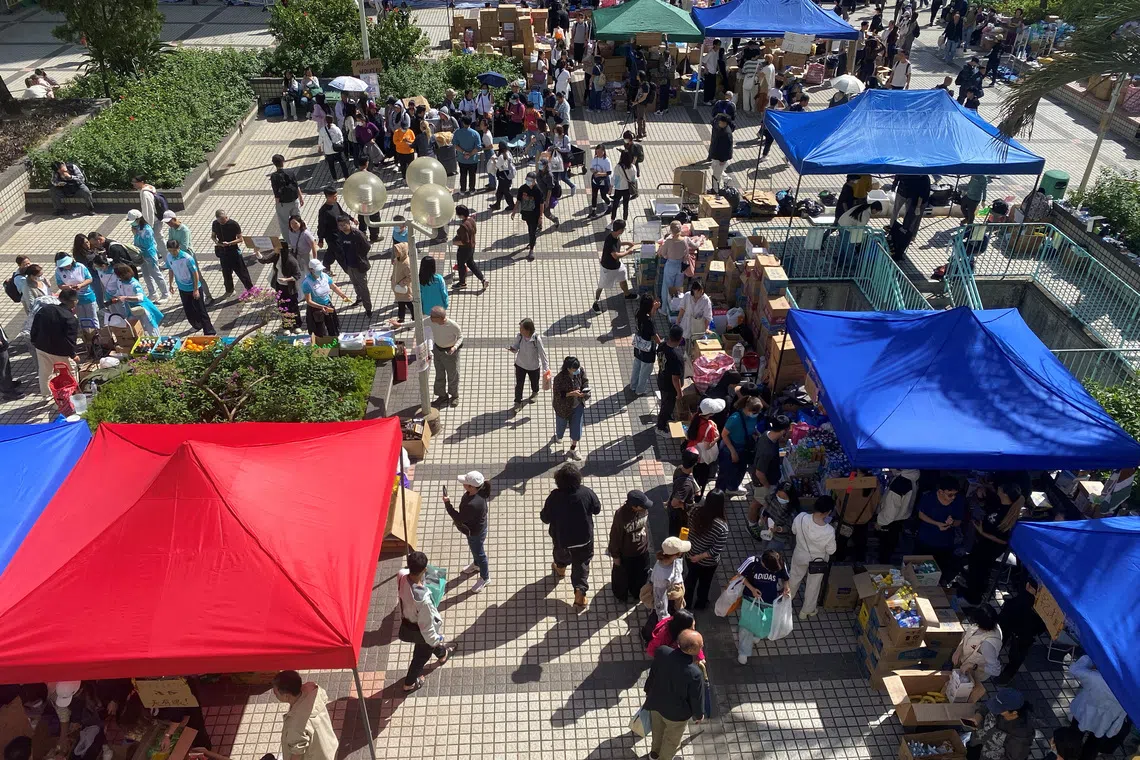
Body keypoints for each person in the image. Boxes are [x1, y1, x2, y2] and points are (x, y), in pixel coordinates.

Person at [541, 462, 601, 610]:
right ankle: (580, 591)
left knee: (560, 555)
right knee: (581, 564)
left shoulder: (555, 496)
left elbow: (545, 518)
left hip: (562, 539)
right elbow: (597, 509)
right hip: (584, 539)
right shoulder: (586, 493)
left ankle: (560, 570)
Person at [643, 629, 706, 760]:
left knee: (657, 730)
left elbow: (653, 674)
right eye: (701, 645)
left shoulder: (662, 652)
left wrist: (648, 691)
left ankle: (654, 754)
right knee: (671, 740)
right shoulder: (695, 673)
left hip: (656, 703)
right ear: (691, 650)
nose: (702, 647)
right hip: (676, 714)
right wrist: (698, 715)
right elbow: (696, 698)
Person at [398, 551, 455, 692]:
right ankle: (409, 683)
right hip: (420, 630)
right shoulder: (423, 601)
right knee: (420, 656)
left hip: (408, 621)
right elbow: (427, 628)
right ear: (424, 569)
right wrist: (437, 638)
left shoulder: (401, 576)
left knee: (429, 646)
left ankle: (442, 655)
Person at [962, 481, 1021, 604]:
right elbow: (988, 499)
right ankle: (970, 589)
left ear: (1005, 493)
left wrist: (983, 533)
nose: (998, 488)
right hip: (982, 542)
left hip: (990, 547)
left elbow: (1004, 540)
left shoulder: (1008, 513)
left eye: (1000, 488)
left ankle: (974, 598)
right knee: (974, 566)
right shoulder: (999, 502)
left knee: (980, 571)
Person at [1068, 655, 1130, 760]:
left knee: (1074, 736)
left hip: (1084, 712)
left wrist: (1092, 656)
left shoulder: (1096, 677)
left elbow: (1074, 669)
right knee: (1094, 745)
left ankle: (1067, 755)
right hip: (1108, 720)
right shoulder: (1132, 686)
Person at [734, 550, 790, 663]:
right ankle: (744, 652)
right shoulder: (752, 562)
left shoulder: (779, 563)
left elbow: (786, 578)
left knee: (764, 622)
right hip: (751, 600)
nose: (772, 572)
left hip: (770, 601)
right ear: (764, 563)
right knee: (746, 625)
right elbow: (739, 576)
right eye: (770, 570)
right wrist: (752, 589)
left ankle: (757, 634)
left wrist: (786, 587)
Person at [787, 495, 837, 620]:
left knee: (794, 578)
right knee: (813, 585)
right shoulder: (829, 531)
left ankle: (785, 600)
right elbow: (831, 550)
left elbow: (793, 531)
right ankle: (806, 611)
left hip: (799, 555)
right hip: (817, 562)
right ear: (828, 512)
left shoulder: (801, 517)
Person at [270, 671, 338, 760]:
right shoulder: (313, 691)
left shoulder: (295, 724)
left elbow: (297, 753)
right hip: (329, 746)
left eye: (275, 693)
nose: (274, 694)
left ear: (286, 696)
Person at [443, 471, 492, 593]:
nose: (463, 484)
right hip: (475, 530)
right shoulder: (477, 493)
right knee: (475, 549)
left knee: (480, 553)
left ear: (472, 487)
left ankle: (485, 577)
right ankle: (476, 564)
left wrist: (447, 503)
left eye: (465, 482)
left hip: (475, 532)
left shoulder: (473, 504)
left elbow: (459, 518)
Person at [745, 414, 791, 537]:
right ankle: (752, 525)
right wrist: (767, 486)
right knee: (758, 503)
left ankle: (752, 522)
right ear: (783, 431)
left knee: (757, 501)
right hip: (763, 482)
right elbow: (759, 473)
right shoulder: (767, 451)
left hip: (766, 479)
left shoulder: (767, 434)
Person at [915, 475, 965, 585]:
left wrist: (952, 523)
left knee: (940, 570)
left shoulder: (959, 501)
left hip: (945, 544)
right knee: (921, 569)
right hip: (926, 540)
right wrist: (937, 524)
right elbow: (921, 514)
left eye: (955, 494)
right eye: (950, 495)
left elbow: (959, 521)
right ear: (941, 491)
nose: (953, 498)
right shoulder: (928, 497)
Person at [30, 287, 78, 398]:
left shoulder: (45, 309)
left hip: (41, 347)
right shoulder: (70, 318)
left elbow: (34, 327)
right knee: (71, 369)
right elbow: (69, 340)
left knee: (45, 371)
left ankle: (46, 394)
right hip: (60, 351)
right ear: (73, 302)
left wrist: (34, 341)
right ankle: (73, 393)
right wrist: (73, 354)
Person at [683, 490, 729, 610]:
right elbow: (716, 550)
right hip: (708, 563)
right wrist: (700, 557)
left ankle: (686, 605)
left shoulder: (695, 511)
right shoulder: (722, 526)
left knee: (690, 580)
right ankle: (701, 604)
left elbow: (687, 528)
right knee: (705, 583)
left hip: (690, 554)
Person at [608, 489, 652, 603]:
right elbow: (615, 537)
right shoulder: (621, 516)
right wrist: (616, 556)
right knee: (624, 576)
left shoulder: (643, 510)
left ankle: (637, 593)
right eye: (642, 506)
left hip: (643, 550)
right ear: (635, 506)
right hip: (627, 553)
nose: (645, 508)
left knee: (642, 574)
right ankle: (621, 595)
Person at [165, 240, 215, 335]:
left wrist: (195, 289)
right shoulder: (169, 257)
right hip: (182, 288)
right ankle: (197, 325)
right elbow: (170, 270)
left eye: (174, 250)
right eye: (170, 250)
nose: (173, 253)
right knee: (189, 310)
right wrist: (171, 284)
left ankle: (209, 331)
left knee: (201, 310)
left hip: (193, 287)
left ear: (179, 248)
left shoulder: (187, 258)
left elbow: (195, 273)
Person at [966, 688, 1033, 760]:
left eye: (999, 709)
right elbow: (985, 707)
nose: (995, 709)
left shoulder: (1022, 735)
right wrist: (977, 717)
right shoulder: (999, 703)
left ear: (1014, 712)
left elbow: (1014, 757)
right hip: (976, 743)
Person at [716, 397, 762, 494]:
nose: (756, 414)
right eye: (754, 412)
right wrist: (733, 452)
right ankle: (719, 494)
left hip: (744, 448)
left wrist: (757, 433)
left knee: (741, 470)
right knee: (725, 472)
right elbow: (724, 435)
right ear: (746, 408)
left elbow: (752, 427)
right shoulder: (734, 419)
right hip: (730, 449)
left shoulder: (754, 416)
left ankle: (732, 488)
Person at [591, 219, 637, 312]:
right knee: (601, 286)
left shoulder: (615, 235)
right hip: (608, 268)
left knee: (623, 279)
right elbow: (615, 255)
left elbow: (618, 244)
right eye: (623, 229)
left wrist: (628, 243)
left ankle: (627, 295)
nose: (623, 231)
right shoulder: (610, 240)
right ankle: (595, 302)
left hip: (617, 266)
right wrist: (628, 252)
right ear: (620, 230)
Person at [551, 356, 590, 460]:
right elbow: (557, 394)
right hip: (562, 407)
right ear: (568, 368)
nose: (577, 371)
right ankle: (558, 436)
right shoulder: (559, 378)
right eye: (574, 369)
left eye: (577, 368)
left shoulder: (580, 371)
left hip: (577, 406)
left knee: (577, 429)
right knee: (560, 428)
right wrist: (571, 393)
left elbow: (585, 381)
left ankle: (573, 448)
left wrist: (584, 391)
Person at [128, 210, 170, 302]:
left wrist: (136, 235)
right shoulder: (136, 227)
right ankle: (153, 293)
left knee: (156, 274)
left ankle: (165, 294)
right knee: (146, 275)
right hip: (141, 254)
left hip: (149, 254)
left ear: (138, 219)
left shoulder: (147, 229)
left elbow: (145, 243)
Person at [953, 604, 1003, 681]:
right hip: (962, 662)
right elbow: (967, 635)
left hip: (972, 675)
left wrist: (973, 666)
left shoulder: (987, 645)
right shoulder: (982, 624)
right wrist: (958, 649)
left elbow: (996, 671)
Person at [260, 240, 301, 333]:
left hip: (290, 288)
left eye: (276, 247)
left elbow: (297, 275)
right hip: (280, 286)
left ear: (281, 248)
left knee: (293, 306)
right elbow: (265, 260)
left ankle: (296, 325)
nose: (274, 249)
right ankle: (287, 326)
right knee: (282, 306)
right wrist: (257, 252)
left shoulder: (291, 260)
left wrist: (286, 280)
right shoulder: (276, 255)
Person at [335, 216, 372, 319]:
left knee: (363, 287)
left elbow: (367, 246)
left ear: (349, 223)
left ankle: (368, 308)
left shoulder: (357, 234)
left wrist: (360, 256)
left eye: (344, 225)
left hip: (359, 265)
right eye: (340, 225)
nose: (342, 227)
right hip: (348, 265)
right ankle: (359, 299)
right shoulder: (341, 234)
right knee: (355, 284)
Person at [509, 317, 549, 410]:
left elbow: (543, 354)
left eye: (522, 328)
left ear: (528, 329)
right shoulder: (520, 336)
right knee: (519, 384)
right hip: (520, 365)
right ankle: (517, 402)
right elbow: (516, 347)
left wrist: (546, 368)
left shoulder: (536, 339)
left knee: (534, 382)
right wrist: (513, 349)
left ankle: (535, 392)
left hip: (533, 366)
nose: (520, 330)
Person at [211, 208, 252, 295]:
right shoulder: (215, 224)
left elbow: (240, 239)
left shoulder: (233, 224)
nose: (222, 222)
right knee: (226, 273)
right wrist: (217, 242)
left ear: (226, 216)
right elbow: (213, 236)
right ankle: (229, 290)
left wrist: (229, 243)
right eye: (219, 221)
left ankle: (250, 289)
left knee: (242, 272)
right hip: (222, 251)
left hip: (233, 251)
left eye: (223, 219)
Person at [301, 259, 347, 337]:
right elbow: (309, 301)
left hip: (327, 305)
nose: (320, 271)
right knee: (320, 332)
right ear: (311, 270)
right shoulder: (307, 283)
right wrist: (321, 307)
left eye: (320, 269)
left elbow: (334, 287)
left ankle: (335, 343)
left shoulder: (325, 276)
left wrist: (342, 295)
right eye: (318, 270)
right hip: (316, 309)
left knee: (333, 328)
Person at [655, 324, 685, 436]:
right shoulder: (677, 356)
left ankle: (666, 417)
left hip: (661, 379)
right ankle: (660, 427)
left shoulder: (662, 346)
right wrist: (679, 392)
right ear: (681, 338)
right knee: (666, 407)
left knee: (665, 402)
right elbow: (675, 378)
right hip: (670, 386)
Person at [54, 253, 98, 329]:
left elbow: (89, 279)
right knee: (81, 318)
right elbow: (60, 285)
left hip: (88, 296)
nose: (67, 266)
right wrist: (68, 287)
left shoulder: (80, 266)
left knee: (93, 317)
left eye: (68, 263)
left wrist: (81, 285)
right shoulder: (58, 271)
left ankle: (96, 334)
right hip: (73, 298)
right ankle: (86, 335)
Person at [450, 205, 487, 291]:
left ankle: (462, 283)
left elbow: (464, 241)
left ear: (461, 215)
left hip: (464, 249)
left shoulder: (463, 226)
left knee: (461, 265)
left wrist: (453, 242)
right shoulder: (471, 220)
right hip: (472, 246)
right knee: (471, 263)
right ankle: (483, 279)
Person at [630, 293, 661, 396]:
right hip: (647, 349)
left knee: (637, 365)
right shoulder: (649, 322)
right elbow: (654, 335)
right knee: (645, 370)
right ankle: (640, 389)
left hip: (638, 345)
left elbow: (649, 317)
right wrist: (661, 344)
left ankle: (633, 385)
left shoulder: (638, 313)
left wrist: (653, 309)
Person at [270, 154, 304, 240]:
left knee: (284, 223)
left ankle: (288, 241)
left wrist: (277, 204)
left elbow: (276, 192)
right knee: (297, 219)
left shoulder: (274, 176)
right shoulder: (290, 172)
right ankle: (300, 237)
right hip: (294, 200)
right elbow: (296, 185)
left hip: (283, 203)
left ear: (273, 163)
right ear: (283, 162)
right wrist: (300, 197)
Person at [512, 171, 544, 261]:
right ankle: (532, 240)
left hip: (535, 214)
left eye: (530, 180)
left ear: (534, 181)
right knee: (529, 227)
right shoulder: (522, 188)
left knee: (531, 231)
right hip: (526, 213)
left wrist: (541, 216)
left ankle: (531, 250)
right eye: (527, 179)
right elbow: (518, 200)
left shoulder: (538, 190)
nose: (528, 181)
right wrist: (514, 211)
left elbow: (541, 204)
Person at [452, 116, 482, 194]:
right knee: (472, 175)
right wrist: (470, 154)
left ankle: (462, 190)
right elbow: (478, 147)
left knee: (463, 175)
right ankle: (472, 189)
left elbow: (455, 145)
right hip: (473, 159)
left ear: (463, 123)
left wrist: (464, 152)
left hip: (462, 159)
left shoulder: (458, 133)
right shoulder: (475, 133)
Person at [609, 150, 638, 223]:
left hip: (619, 188)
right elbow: (634, 179)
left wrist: (611, 188)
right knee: (626, 205)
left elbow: (614, 178)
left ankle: (612, 221)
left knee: (615, 205)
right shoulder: (633, 167)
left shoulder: (618, 167)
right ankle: (624, 220)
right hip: (627, 189)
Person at [708, 114, 734, 191]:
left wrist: (723, 160)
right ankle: (727, 179)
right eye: (720, 122)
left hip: (721, 157)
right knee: (714, 167)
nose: (720, 124)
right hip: (715, 154)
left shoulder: (727, 134)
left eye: (722, 123)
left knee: (716, 174)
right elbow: (713, 122)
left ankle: (715, 189)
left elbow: (727, 148)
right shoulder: (718, 126)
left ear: (726, 123)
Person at [488, 142, 516, 211]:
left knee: (506, 192)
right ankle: (497, 205)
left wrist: (493, 160)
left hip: (503, 176)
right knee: (499, 192)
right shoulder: (508, 153)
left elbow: (497, 166)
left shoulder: (501, 156)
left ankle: (511, 205)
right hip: (508, 175)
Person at [589, 145, 612, 215]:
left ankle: (610, 206)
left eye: (600, 152)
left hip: (603, 180)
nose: (598, 153)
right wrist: (594, 172)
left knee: (603, 195)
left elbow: (609, 172)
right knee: (594, 195)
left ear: (603, 151)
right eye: (597, 152)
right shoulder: (595, 159)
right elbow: (591, 168)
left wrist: (600, 174)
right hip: (595, 179)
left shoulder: (606, 161)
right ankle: (593, 211)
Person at [701, 40, 721, 104]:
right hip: (709, 72)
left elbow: (716, 61)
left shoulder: (717, 52)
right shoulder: (711, 53)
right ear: (714, 45)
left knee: (713, 87)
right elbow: (703, 61)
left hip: (714, 72)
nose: (719, 46)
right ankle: (706, 100)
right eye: (718, 45)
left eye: (719, 45)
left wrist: (718, 68)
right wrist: (706, 69)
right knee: (707, 87)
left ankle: (711, 98)